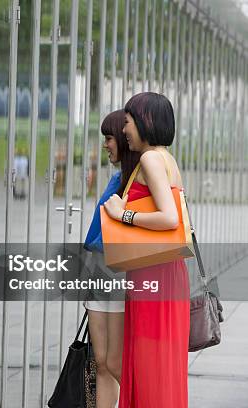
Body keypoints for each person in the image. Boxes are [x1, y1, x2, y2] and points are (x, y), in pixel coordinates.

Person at [103, 92, 190, 407]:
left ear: (144, 122)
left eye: (126, 123)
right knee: (160, 365)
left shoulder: (151, 159)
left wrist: (122, 214)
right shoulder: (167, 158)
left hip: (152, 272)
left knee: (148, 366)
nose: (124, 131)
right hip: (165, 270)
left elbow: (169, 218)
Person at [83, 110, 140, 408]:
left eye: (109, 138)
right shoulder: (116, 179)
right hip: (97, 274)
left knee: (115, 362)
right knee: (101, 361)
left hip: (119, 277)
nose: (105, 144)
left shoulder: (137, 181)